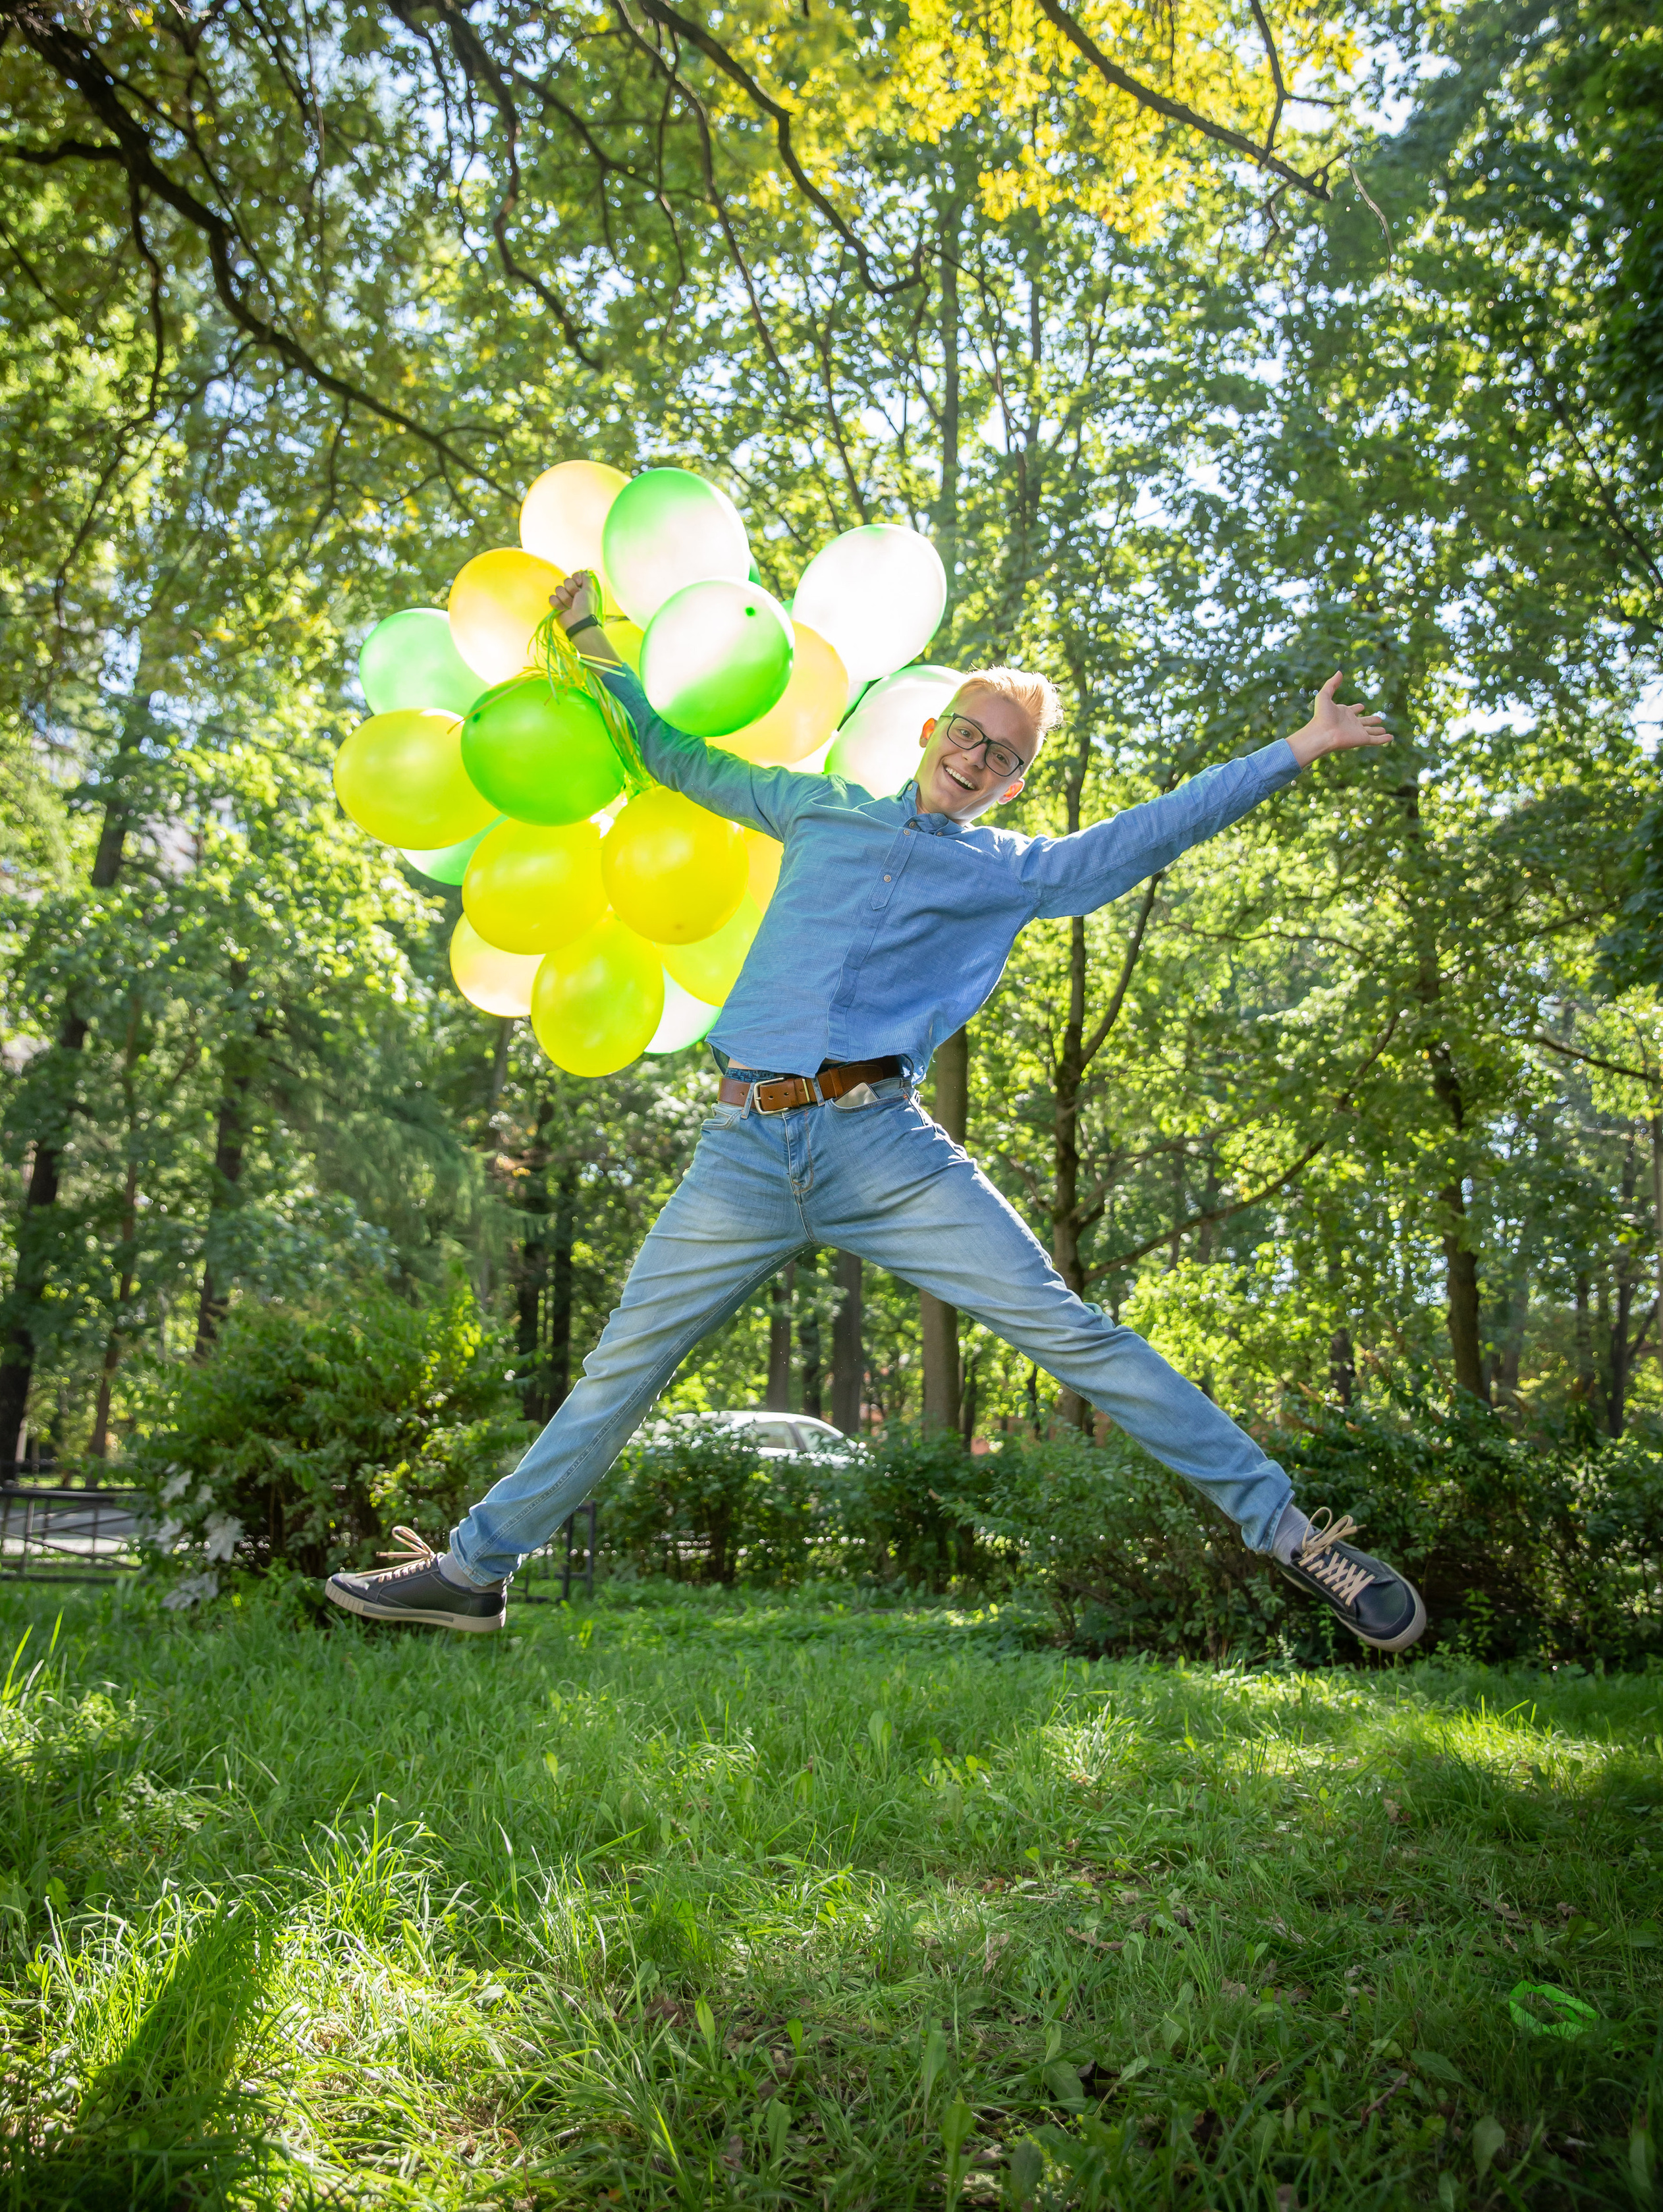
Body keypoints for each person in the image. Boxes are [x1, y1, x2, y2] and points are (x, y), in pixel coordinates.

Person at [328, 572, 1425, 1653]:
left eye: (1004, 755)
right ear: (928, 731)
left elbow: (1143, 838)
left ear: (1012, 783)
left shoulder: (1017, 873)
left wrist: (1296, 750)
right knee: (621, 1371)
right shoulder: (816, 806)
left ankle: (1290, 1533)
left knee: (1070, 1332)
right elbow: (670, 753)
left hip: (881, 1149)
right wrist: (593, 636)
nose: (976, 757)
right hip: (742, 1153)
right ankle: (473, 1574)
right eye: (967, 732)